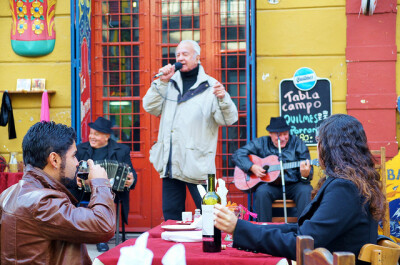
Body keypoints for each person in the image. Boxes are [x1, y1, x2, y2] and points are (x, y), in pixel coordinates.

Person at [215, 114, 386, 264]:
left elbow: (303, 243)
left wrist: (239, 229)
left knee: (303, 189)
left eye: (319, 143)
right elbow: (303, 229)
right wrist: (249, 227)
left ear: (329, 148)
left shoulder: (344, 188)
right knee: (262, 192)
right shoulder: (352, 183)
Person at [143, 39, 238, 221]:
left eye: (185, 54)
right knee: (171, 217)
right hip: (171, 163)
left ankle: (211, 246)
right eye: (177, 55)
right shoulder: (168, 83)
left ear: (197, 57)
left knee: (210, 216)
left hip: (198, 164)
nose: (180, 58)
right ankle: (176, 248)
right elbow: (149, 106)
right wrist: (161, 82)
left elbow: (228, 119)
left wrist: (223, 98)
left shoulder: (211, 86)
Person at [0, 121, 116, 264]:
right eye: (73, 156)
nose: (77, 162)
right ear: (54, 159)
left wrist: (78, 184)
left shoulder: (8, 193)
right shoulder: (42, 203)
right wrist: (100, 183)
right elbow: (103, 226)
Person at [70, 116, 137, 252]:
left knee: (105, 200)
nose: (91, 137)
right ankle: (73, 234)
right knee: (69, 194)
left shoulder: (122, 150)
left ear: (107, 136)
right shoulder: (81, 149)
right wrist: (76, 178)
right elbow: (72, 170)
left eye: (96, 134)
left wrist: (132, 179)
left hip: (111, 193)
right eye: (91, 133)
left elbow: (130, 171)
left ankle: (101, 238)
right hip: (85, 192)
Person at [232, 116, 313, 222]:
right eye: (279, 135)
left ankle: (304, 228)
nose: (283, 138)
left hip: (294, 185)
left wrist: (304, 175)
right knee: (262, 192)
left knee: (306, 190)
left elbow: (308, 174)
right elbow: (238, 154)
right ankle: (264, 230)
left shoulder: (298, 144)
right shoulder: (262, 143)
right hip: (271, 186)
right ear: (270, 134)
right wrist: (251, 167)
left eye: (285, 134)